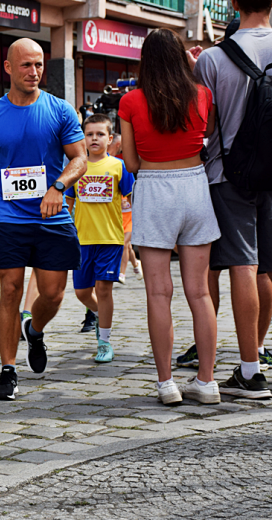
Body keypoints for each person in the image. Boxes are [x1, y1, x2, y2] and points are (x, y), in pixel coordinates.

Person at [0, 38, 87, 400]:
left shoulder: (60, 110)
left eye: (40, 65)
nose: (34, 72)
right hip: (9, 216)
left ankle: (36, 329)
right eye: (27, 65)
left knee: (53, 293)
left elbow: (79, 160)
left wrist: (58, 186)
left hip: (52, 217)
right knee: (10, 289)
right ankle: (8, 370)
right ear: (9, 68)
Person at [119, 28, 221, 405]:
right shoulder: (202, 95)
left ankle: (166, 384)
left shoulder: (131, 101)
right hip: (195, 185)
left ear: (145, 60)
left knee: (158, 293)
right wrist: (194, 68)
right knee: (199, 292)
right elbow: (208, 134)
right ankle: (207, 381)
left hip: (155, 187)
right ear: (183, 58)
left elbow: (130, 161)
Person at [189, 0, 272, 398]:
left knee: (243, 263)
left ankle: (250, 372)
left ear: (235, 4)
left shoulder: (212, 58)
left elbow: (203, 123)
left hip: (229, 173)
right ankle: (254, 351)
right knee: (265, 268)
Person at [65, 114, 135, 363]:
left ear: (110, 138)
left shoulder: (119, 167)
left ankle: (104, 341)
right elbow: (68, 203)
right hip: (82, 241)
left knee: (104, 289)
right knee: (83, 293)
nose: (94, 138)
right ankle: (98, 315)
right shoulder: (76, 167)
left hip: (110, 240)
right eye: (89, 134)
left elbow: (131, 198)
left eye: (100, 134)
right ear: (83, 137)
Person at [109, 133, 143, 284]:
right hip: (116, 217)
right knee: (126, 246)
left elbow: (131, 194)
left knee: (124, 244)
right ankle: (136, 264)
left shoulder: (122, 165)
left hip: (129, 218)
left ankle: (121, 273)